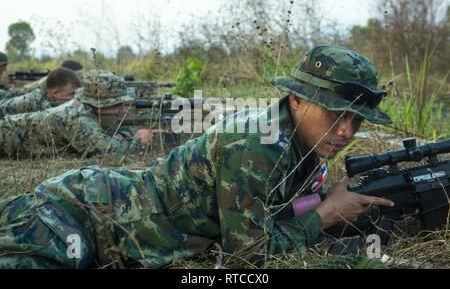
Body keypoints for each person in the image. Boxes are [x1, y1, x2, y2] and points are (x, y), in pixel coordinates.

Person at [0, 46, 393, 268]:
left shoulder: (304, 146)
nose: (345, 131)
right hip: (82, 214)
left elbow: (275, 215)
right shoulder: (255, 145)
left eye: (356, 120)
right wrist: (323, 215)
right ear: (296, 100)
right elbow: (247, 256)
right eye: (334, 114)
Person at [0, 69, 155, 159]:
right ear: (98, 104)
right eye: (116, 104)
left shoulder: (85, 105)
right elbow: (113, 155)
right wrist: (139, 141)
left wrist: (123, 134)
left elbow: (106, 135)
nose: (122, 110)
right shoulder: (77, 119)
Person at [0, 67, 81, 117]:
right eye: (71, 94)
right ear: (55, 93)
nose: (74, 97)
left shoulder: (47, 96)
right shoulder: (39, 103)